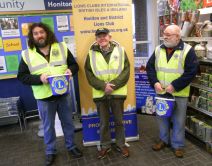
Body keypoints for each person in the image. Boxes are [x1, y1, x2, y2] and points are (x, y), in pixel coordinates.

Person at [17, 22, 82, 166]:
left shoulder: (61, 48)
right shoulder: (27, 54)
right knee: (48, 127)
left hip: (63, 95)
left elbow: (74, 65)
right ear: (32, 37)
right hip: (44, 98)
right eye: (35, 33)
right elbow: (22, 76)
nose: (39, 35)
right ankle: (51, 151)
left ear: (47, 33)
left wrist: (71, 70)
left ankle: (71, 147)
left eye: (41, 32)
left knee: (68, 123)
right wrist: (39, 79)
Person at [146, 25, 198, 158]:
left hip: (179, 93)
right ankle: (163, 140)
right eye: (164, 33)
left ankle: (178, 145)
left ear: (178, 36)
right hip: (162, 92)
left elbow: (191, 72)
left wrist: (175, 85)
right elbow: (150, 67)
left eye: (169, 34)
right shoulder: (158, 49)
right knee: (162, 118)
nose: (165, 36)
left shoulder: (188, 50)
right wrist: (155, 82)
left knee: (179, 120)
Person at [84, 28, 130, 159]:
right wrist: (103, 86)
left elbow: (126, 71)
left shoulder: (120, 51)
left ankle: (121, 144)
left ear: (109, 37)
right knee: (103, 123)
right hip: (100, 94)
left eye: (104, 35)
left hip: (117, 93)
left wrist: (113, 86)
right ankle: (105, 146)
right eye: (99, 36)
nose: (102, 38)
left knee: (119, 121)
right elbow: (89, 74)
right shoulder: (91, 54)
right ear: (96, 39)